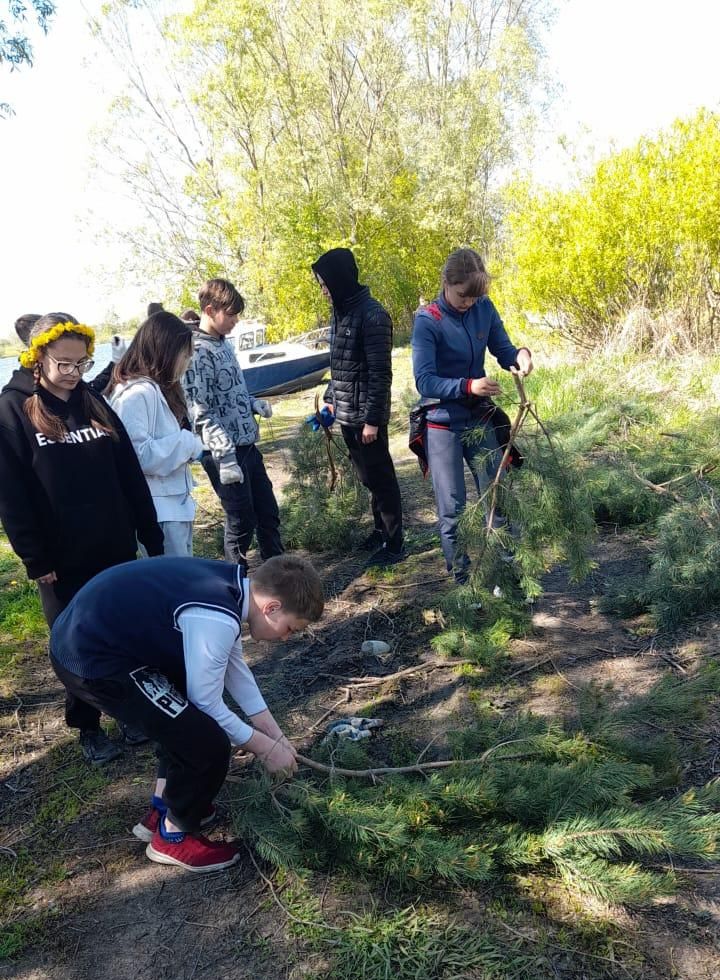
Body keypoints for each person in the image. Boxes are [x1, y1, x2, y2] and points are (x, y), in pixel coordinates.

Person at [49, 553, 324, 873]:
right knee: (206, 741)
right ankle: (173, 837)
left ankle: (164, 806)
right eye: (290, 628)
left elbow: (236, 671)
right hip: (92, 659)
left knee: (181, 718)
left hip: (99, 640)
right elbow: (206, 703)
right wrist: (264, 748)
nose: (286, 637)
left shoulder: (232, 590)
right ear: (271, 607)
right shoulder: (217, 617)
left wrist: (274, 734)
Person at [0, 312, 164, 763]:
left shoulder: (93, 403)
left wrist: (149, 533)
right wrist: (36, 557)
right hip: (62, 560)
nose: (74, 374)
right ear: (38, 359)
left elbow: (129, 472)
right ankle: (88, 726)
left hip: (114, 547)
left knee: (127, 633)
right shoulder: (12, 410)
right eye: (64, 364)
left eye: (82, 364)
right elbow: (11, 494)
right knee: (77, 644)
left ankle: (130, 712)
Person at [411, 247, 533, 583]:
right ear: (447, 283)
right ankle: (464, 586)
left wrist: (520, 356)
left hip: (479, 419)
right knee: (453, 511)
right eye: (464, 295)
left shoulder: (484, 308)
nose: (469, 303)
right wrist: (468, 386)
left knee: (498, 498)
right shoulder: (428, 321)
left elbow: (504, 351)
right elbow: (425, 380)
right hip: (441, 423)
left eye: (476, 297)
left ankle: (511, 580)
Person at [312, 248, 404, 566]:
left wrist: (374, 421)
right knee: (367, 478)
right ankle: (379, 531)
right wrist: (329, 400)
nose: (323, 290)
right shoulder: (340, 312)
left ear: (340, 280)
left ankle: (394, 543)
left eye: (325, 284)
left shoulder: (373, 315)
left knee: (381, 478)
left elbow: (380, 374)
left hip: (367, 418)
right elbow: (341, 365)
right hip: (347, 413)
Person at [183, 277, 280, 566]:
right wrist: (224, 457)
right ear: (210, 310)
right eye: (231, 314)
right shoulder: (196, 353)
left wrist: (252, 404)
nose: (236, 320)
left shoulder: (224, 344)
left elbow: (229, 392)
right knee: (241, 522)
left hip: (247, 446)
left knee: (268, 512)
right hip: (223, 455)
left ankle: (279, 576)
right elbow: (197, 411)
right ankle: (234, 588)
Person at [108, 311, 204, 557]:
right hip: (158, 509)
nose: (188, 362)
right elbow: (137, 455)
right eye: (185, 355)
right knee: (172, 584)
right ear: (166, 353)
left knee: (182, 579)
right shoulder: (136, 394)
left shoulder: (158, 389)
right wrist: (188, 443)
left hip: (173, 504)